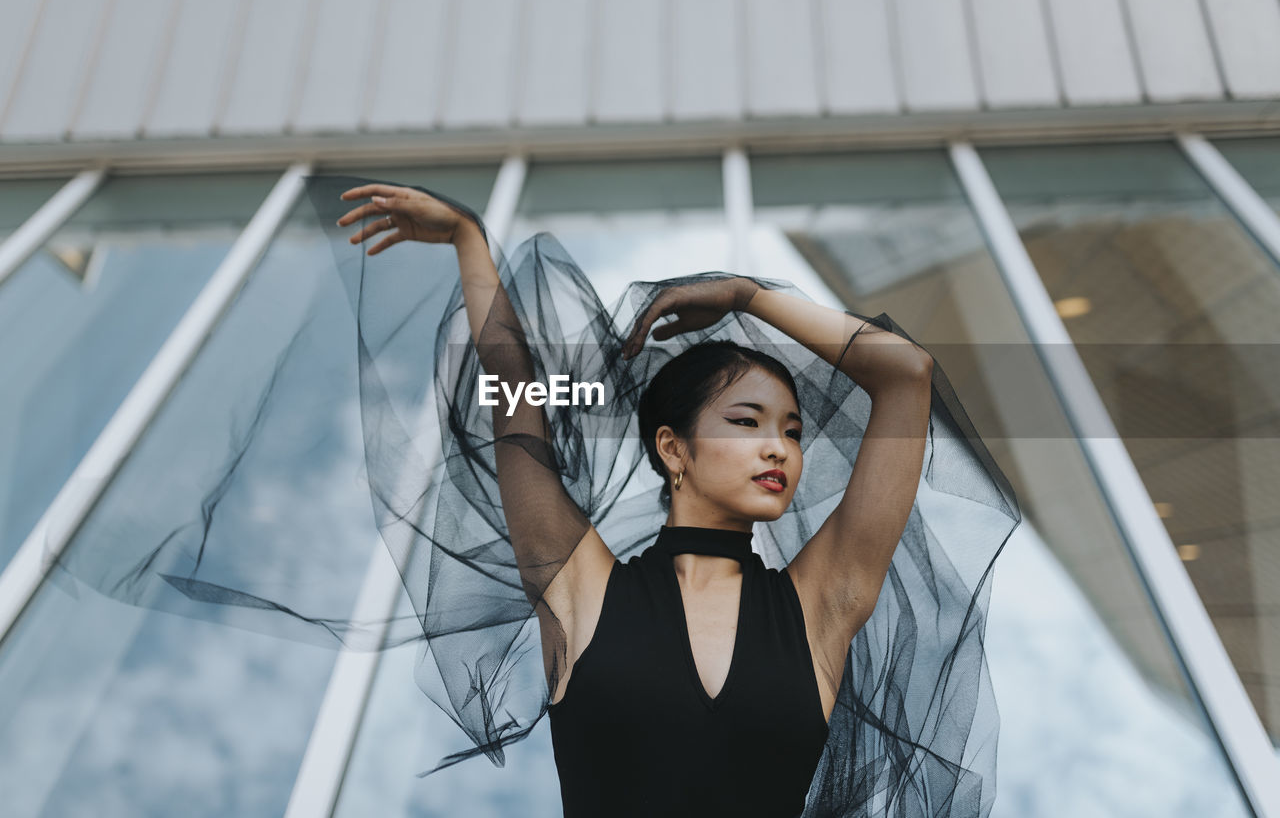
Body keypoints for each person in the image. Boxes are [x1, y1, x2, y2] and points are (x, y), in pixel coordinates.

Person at [328, 179, 1021, 816]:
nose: (779, 447)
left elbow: (906, 374)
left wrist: (747, 295)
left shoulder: (821, 604)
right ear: (673, 448)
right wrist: (468, 241)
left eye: (791, 430)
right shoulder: (580, 588)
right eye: (746, 422)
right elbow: (515, 391)